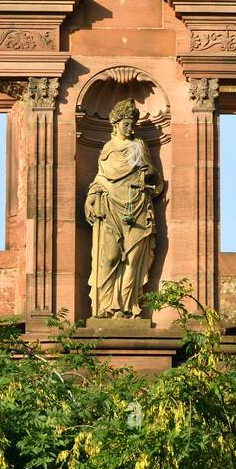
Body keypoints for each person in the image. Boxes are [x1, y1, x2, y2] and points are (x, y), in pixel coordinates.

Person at [85, 98, 163, 318]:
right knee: (109, 257)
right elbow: (100, 179)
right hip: (110, 206)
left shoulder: (139, 146)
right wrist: (91, 198)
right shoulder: (108, 149)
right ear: (115, 123)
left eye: (132, 124)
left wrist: (149, 172)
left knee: (132, 257)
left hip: (137, 205)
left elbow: (155, 177)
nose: (130, 129)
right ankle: (106, 306)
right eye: (126, 124)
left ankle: (128, 306)